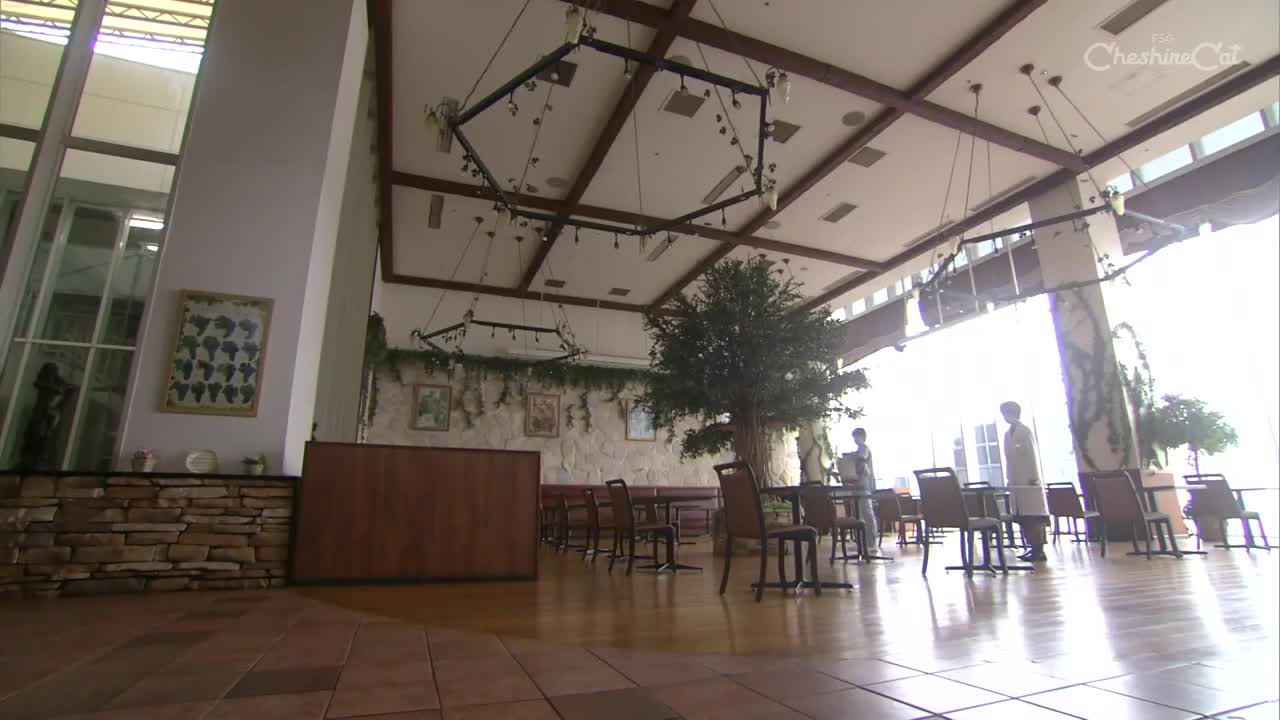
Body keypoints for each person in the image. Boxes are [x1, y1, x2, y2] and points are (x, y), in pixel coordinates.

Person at [1001, 401, 1048, 562]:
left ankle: (1038, 549)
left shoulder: (1024, 431)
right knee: (1023, 517)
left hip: (1029, 481)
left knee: (1034, 516)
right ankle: (1031, 547)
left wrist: (1034, 478)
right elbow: (1008, 459)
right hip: (1016, 481)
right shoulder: (1007, 434)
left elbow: (1032, 455)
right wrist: (1009, 479)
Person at [837, 428, 879, 545]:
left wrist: (850, 457)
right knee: (859, 512)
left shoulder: (864, 448)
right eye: (854, 437)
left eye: (856, 437)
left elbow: (862, 457)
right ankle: (862, 540)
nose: (855, 439)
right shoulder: (858, 450)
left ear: (862, 437)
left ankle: (871, 539)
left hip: (864, 485)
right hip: (857, 485)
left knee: (866, 511)